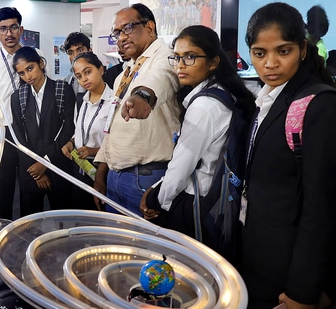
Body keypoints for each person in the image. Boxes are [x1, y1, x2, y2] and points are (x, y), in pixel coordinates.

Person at [241, 3, 336, 308]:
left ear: (303, 49)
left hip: (288, 273)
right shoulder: (270, 97)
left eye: (283, 51)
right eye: (259, 53)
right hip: (259, 257)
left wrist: (302, 291)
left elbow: (320, 207)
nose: (270, 64)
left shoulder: (318, 105)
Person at [138, 25, 255, 255]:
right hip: (215, 199)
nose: (180, 65)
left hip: (195, 203)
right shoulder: (223, 91)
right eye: (177, 57)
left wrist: (157, 201)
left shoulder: (204, 105)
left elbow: (182, 166)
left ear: (213, 62)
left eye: (190, 57)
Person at [93, 3, 181, 216]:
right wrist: (101, 173)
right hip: (115, 177)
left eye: (128, 28)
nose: (121, 37)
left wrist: (142, 96)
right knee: (116, 246)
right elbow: (111, 125)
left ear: (149, 28)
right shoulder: (126, 72)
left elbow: (162, 78)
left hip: (145, 179)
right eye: (117, 33)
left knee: (144, 247)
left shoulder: (166, 57)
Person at [0, 7, 49, 220]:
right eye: (3, 29)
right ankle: (3, 234)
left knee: (30, 188)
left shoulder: (37, 56)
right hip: (2, 133)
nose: (9, 33)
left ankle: (30, 230)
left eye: (13, 27)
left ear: (21, 29)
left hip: (31, 133)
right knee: (2, 190)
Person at [10, 47, 75, 216]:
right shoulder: (18, 97)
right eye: (22, 73)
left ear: (41, 63)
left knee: (63, 223)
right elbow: (18, 136)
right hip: (30, 170)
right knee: (29, 224)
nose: (27, 76)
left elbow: (68, 129)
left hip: (58, 167)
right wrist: (37, 171)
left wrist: (44, 163)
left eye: (30, 68)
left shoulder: (62, 90)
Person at [61, 52, 112, 211]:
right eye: (78, 76)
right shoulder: (82, 100)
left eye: (88, 72)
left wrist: (94, 151)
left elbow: (116, 141)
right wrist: (71, 142)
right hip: (80, 168)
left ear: (101, 70)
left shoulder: (114, 102)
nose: (83, 79)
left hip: (102, 169)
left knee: (98, 220)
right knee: (80, 216)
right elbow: (79, 129)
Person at [61, 32, 92, 110]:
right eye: (70, 53)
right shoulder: (66, 82)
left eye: (80, 50)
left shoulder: (102, 78)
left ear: (89, 51)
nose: (75, 56)